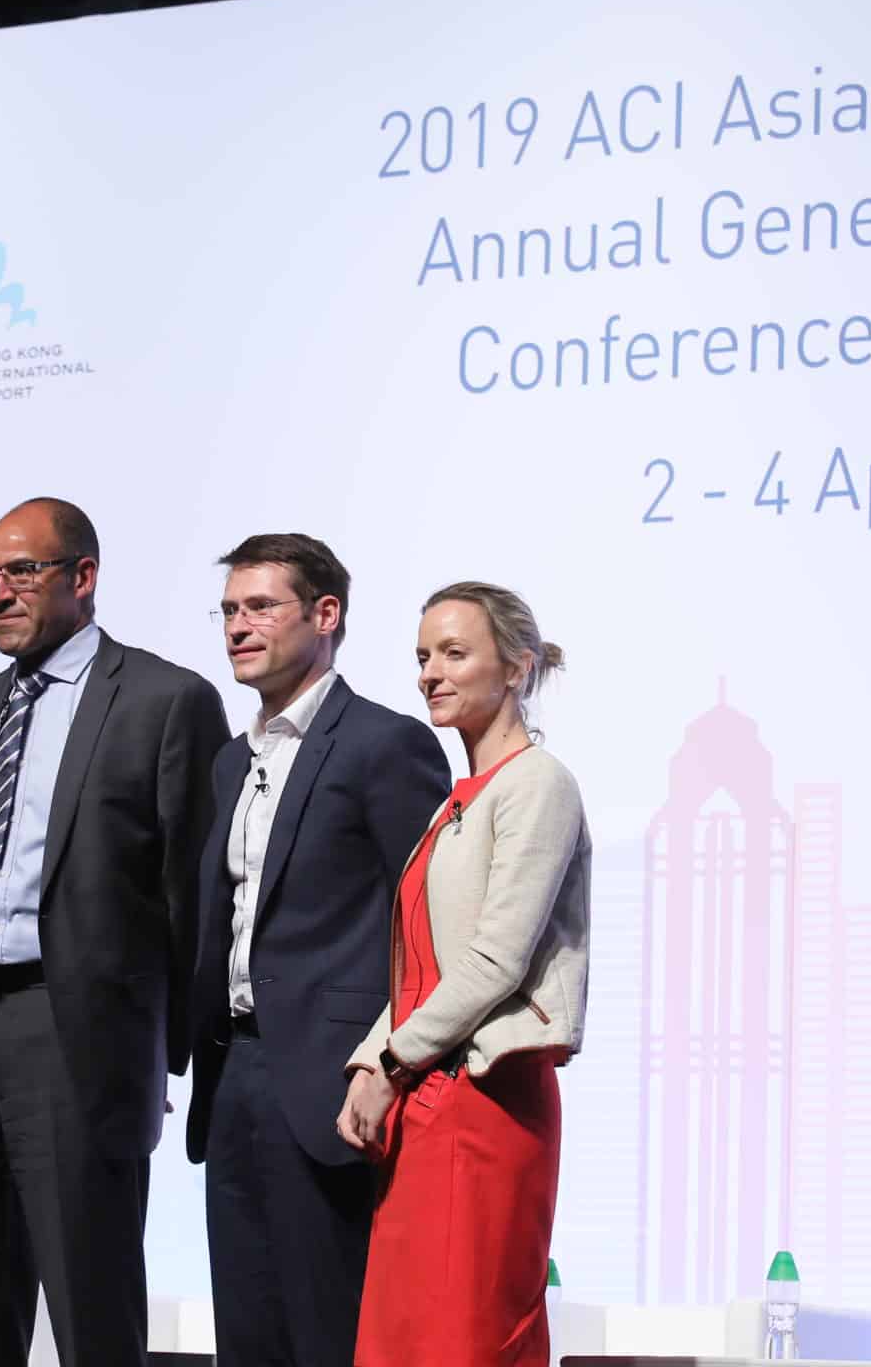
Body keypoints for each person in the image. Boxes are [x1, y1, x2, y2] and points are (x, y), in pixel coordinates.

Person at [0, 497, 228, 1367]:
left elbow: (191, 901)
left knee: (89, 1306)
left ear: (83, 578)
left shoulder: (167, 700)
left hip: (83, 1034)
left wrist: (154, 1054)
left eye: (22, 571)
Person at [186, 535, 450, 1367]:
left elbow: (430, 928)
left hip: (334, 1077)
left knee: (325, 1328)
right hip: (233, 1073)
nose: (238, 626)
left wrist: (387, 1062)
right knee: (246, 1334)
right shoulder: (233, 761)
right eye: (229, 610)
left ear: (325, 615)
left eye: (260, 606)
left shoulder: (384, 743)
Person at [337, 581, 590, 1367]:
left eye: (454, 653)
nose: (429, 673)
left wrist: (388, 1060)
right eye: (422, 657)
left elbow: (494, 960)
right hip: (426, 1097)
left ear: (515, 669)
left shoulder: (536, 784)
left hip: (485, 1102)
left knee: (465, 1337)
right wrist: (366, 1064)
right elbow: (421, 966)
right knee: (402, 1339)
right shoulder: (456, 803)